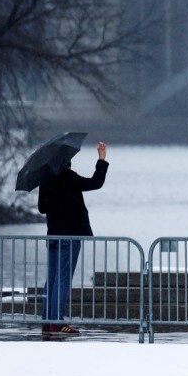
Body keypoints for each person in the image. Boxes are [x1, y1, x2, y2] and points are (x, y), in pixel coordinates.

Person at [38, 140, 108, 335]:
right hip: (69, 236)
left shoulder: (46, 180)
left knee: (51, 279)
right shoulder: (69, 177)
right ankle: (57, 323)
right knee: (63, 279)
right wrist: (101, 160)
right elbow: (95, 183)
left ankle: (47, 321)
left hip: (52, 236)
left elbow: (42, 208)